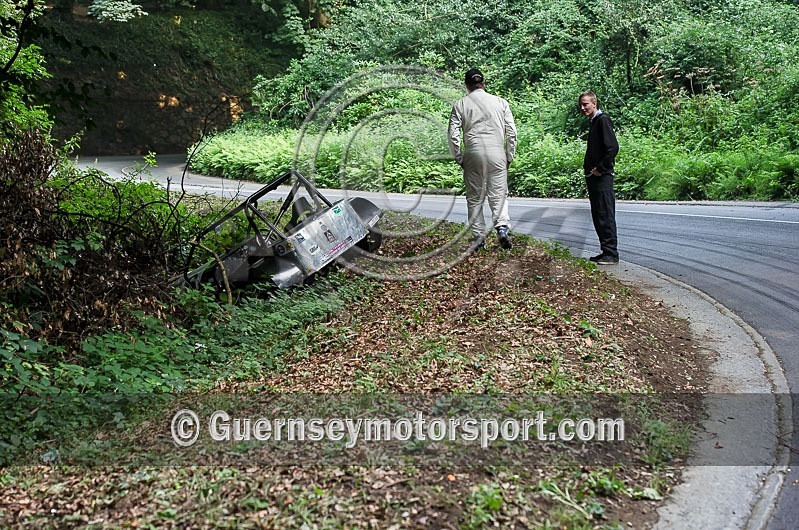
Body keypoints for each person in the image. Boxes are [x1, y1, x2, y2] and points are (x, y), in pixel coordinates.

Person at [448, 68, 517, 250]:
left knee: (474, 197)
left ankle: (479, 237)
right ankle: (502, 228)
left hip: (473, 152)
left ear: (467, 85)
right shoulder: (500, 102)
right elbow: (511, 132)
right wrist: (509, 156)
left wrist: (459, 157)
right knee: (499, 194)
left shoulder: (460, 104)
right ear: (483, 83)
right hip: (497, 152)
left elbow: (453, 135)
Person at [579, 90, 620, 265]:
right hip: (593, 177)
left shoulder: (603, 120)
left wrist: (601, 169)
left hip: (602, 177)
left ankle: (611, 254)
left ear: (594, 103)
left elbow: (612, 147)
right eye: (581, 105)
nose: (583, 108)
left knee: (605, 214)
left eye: (586, 104)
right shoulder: (594, 121)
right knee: (598, 214)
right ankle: (606, 251)